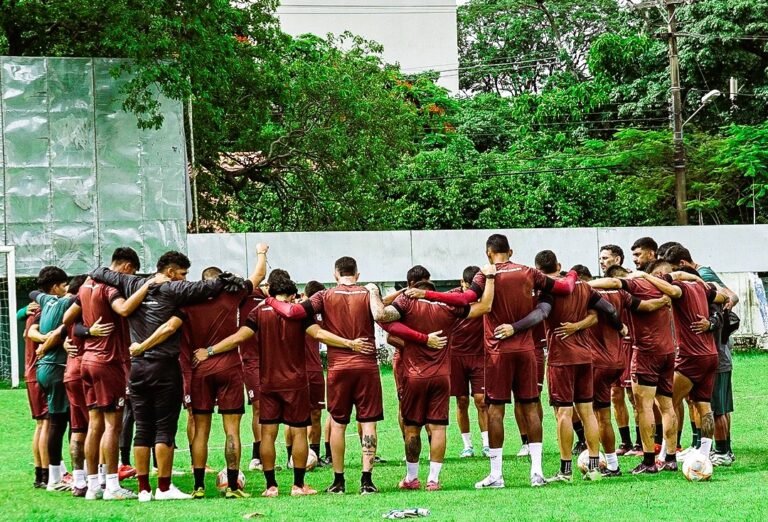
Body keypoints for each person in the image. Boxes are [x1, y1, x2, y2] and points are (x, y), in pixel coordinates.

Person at [405, 234, 578, 489]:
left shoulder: (485, 274)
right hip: (527, 350)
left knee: (496, 410)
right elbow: (565, 288)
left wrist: (428, 294)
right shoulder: (529, 272)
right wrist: (573, 272)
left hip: (498, 352)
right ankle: (537, 472)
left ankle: (497, 474)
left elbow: (464, 299)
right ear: (511, 251)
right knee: (531, 407)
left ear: (488, 253)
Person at [89, 251, 246, 502]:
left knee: (142, 429)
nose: (184, 278)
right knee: (164, 428)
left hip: (137, 367)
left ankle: (143, 489)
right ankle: (163, 487)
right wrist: (229, 278)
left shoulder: (130, 283)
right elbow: (208, 286)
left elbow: (98, 272)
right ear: (171, 272)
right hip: (164, 366)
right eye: (183, 273)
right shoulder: (175, 288)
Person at [201, 269, 373, 497]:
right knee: (299, 432)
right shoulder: (298, 313)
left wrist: (210, 350)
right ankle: (298, 485)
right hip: (296, 382)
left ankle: (271, 486)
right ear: (292, 294)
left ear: (271, 291)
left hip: (268, 382)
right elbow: (319, 334)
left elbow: (239, 337)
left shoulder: (258, 311)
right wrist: (350, 343)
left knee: (268, 433)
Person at [367, 263, 495, 491]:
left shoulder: (407, 303)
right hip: (442, 377)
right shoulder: (448, 307)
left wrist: (374, 291)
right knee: (438, 428)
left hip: (414, 376)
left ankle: (412, 478)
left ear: (414, 289)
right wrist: (490, 278)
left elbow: (380, 315)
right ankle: (433, 480)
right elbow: (484, 306)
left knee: (412, 429)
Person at [62, 248, 156, 501]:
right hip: (108, 362)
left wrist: (87, 331)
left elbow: (68, 317)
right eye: (132, 273)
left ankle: (93, 486)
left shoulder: (86, 285)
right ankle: (112, 485)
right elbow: (123, 309)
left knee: (95, 424)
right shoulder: (110, 287)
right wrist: (146, 287)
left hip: (86, 361)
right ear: (126, 267)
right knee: (113, 425)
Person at [572, 265, 670, 476]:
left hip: (597, 362)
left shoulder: (585, 295)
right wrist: (663, 301)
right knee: (631, 405)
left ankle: (607, 465)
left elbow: (597, 316)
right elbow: (645, 306)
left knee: (597, 416)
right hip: (619, 360)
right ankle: (665, 456)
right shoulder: (621, 295)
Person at [533, 254, 624, 483]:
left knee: (564, 413)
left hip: (561, 359)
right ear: (558, 265)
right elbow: (608, 309)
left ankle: (565, 471)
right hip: (585, 357)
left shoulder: (548, 290)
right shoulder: (584, 287)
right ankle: (594, 467)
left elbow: (542, 313)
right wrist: (617, 327)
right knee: (587, 412)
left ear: (538, 270)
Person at [638, 261, 727, 471]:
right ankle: (703, 455)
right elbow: (724, 297)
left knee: (667, 405)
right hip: (710, 354)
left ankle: (665, 455)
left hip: (690, 356)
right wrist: (699, 282)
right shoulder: (702, 288)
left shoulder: (680, 288)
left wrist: (643, 276)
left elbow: (670, 289)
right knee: (704, 406)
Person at [663, 245, 739, 465]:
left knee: (716, 407)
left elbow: (729, 299)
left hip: (713, 355)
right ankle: (701, 448)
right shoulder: (696, 286)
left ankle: (723, 451)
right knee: (700, 403)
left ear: (682, 266)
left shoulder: (702, 278)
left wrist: (711, 323)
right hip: (703, 354)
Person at [26, 266, 75, 492]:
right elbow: (53, 332)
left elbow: (33, 294)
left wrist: (43, 343)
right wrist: (48, 344)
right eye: (64, 285)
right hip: (55, 368)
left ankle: (47, 474)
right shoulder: (66, 303)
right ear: (55, 287)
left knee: (49, 423)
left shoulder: (45, 301)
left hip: (43, 369)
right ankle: (55, 476)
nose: (67, 288)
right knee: (59, 423)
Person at [449, 266, 490, 458]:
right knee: (462, 400)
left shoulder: (486, 297)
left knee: (481, 400)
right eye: (470, 287)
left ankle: (487, 444)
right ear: (462, 283)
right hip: (455, 356)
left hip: (479, 356)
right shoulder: (451, 298)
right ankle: (467, 446)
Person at [18, 299, 47, 488]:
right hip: (39, 373)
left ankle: (40, 474)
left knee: (41, 424)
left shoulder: (33, 310)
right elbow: (29, 333)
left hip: (31, 373)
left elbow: (24, 333)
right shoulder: (44, 310)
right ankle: (48, 475)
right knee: (47, 424)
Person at [241, 283, 268, 472]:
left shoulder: (274, 301)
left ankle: (276, 455)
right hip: (251, 361)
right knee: (259, 407)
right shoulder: (244, 296)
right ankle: (257, 456)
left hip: (273, 361)